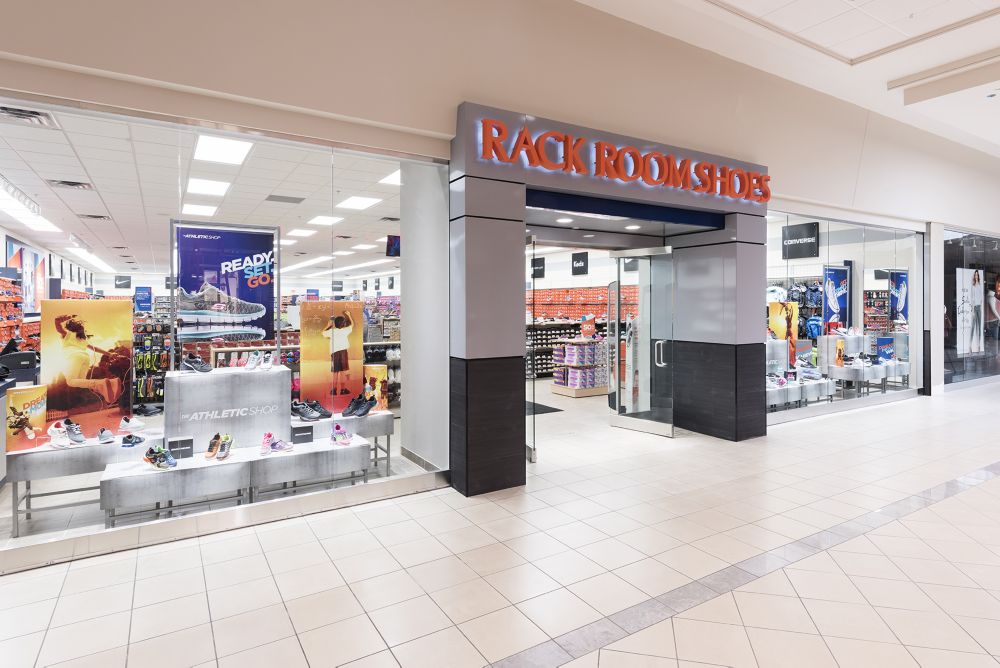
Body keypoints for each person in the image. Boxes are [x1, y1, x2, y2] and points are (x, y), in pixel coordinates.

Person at [54, 314, 121, 404]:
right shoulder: (82, 340)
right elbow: (95, 348)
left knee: (70, 381)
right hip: (85, 358)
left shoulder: (68, 334)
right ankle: (112, 383)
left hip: (74, 357)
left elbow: (58, 326)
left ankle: (102, 384)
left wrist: (61, 319)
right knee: (81, 382)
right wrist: (110, 354)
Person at [322, 310, 354, 396]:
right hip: (343, 352)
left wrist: (328, 325)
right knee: (343, 372)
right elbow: (352, 325)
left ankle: (334, 390)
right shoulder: (345, 330)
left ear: (334, 324)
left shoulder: (332, 331)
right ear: (343, 324)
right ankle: (343, 390)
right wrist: (349, 315)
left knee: (335, 372)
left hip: (334, 353)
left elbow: (323, 333)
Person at [972, 270, 984, 353]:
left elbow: (981, 297)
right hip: (975, 307)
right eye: (975, 275)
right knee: (973, 327)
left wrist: (981, 306)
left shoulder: (980, 285)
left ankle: (979, 346)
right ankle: (972, 346)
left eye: (977, 275)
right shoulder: (973, 286)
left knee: (979, 327)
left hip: (979, 307)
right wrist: (972, 310)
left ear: (978, 276)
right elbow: (972, 298)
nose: (976, 276)